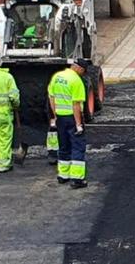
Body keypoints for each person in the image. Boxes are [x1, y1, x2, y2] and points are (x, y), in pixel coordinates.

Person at [47, 59, 90, 188]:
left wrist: (55, 116)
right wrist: (78, 124)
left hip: (60, 118)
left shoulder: (57, 77)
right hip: (72, 118)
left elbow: (52, 97)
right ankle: (77, 179)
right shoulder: (76, 81)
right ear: (80, 69)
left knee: (64, 146)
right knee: (77, 146)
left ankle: (63, 175)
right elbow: (76, 104)